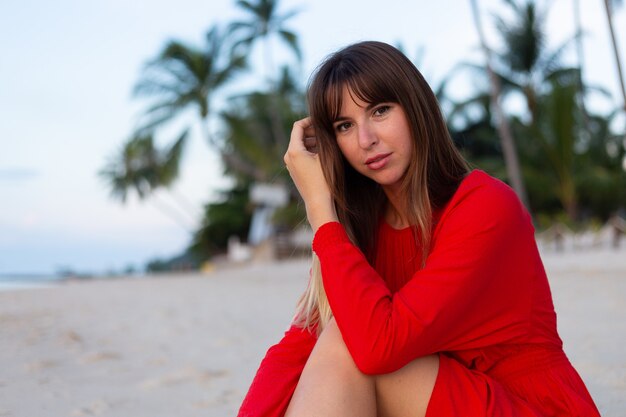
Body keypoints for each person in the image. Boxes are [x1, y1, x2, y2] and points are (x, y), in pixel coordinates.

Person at [237, 41, 600, 417]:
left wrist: (320, 212)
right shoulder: (360, 232)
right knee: (333, 337)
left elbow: (379, 347)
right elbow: (296, 348)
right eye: (345, 126)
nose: (366, 140)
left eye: (380, 111)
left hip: (528, 405)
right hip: (440, 398)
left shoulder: (485, 206)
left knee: (349, 339)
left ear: (415, 108)